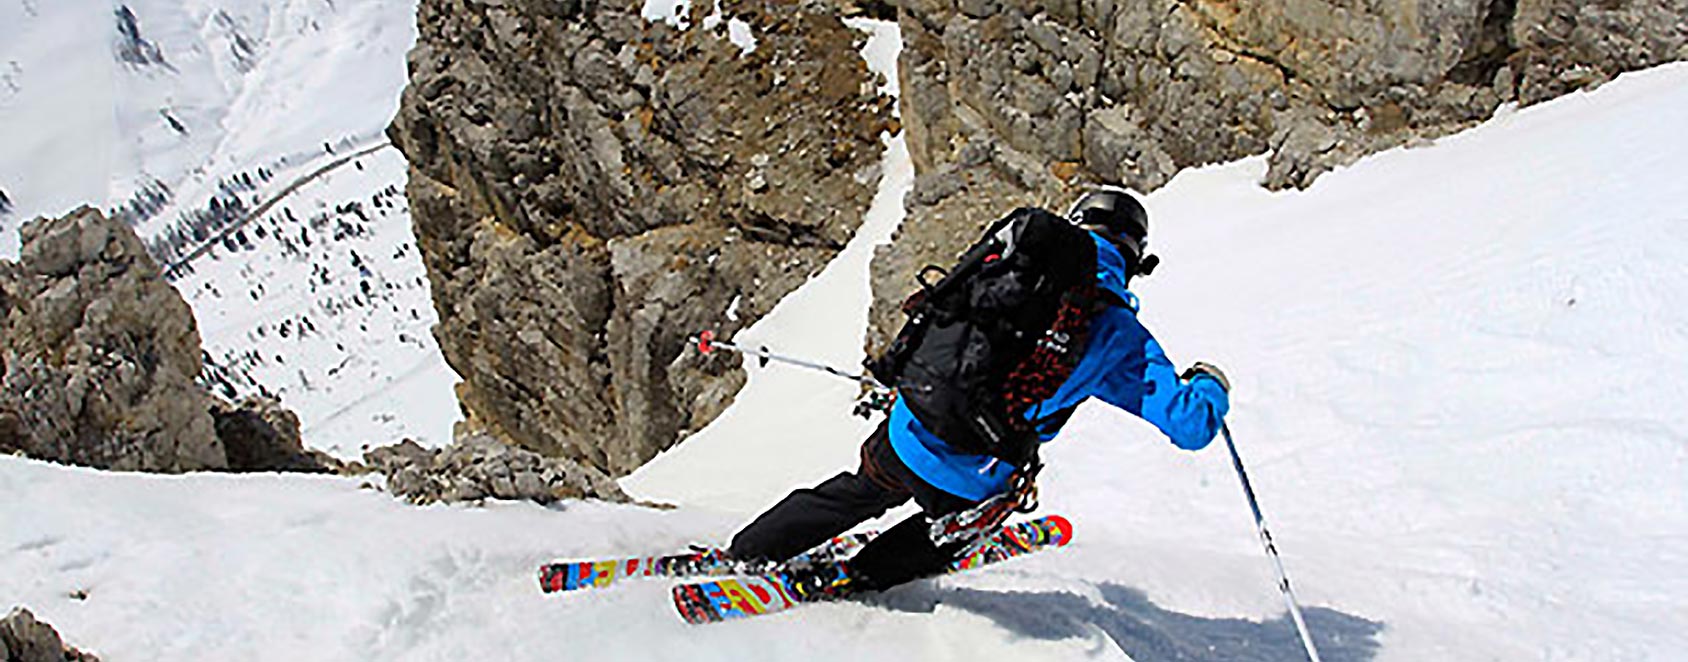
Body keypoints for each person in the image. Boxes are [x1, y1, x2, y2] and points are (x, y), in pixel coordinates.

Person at [726, 188, 1232, 597]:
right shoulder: (1119, 335)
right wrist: (1210, 382)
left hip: (912, 422)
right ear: (1135, 258)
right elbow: (1190, 426)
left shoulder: (1013, 263)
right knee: (957, 528)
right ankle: (863, 577)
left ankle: (749, 551)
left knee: (862, 489)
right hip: (976, 469)